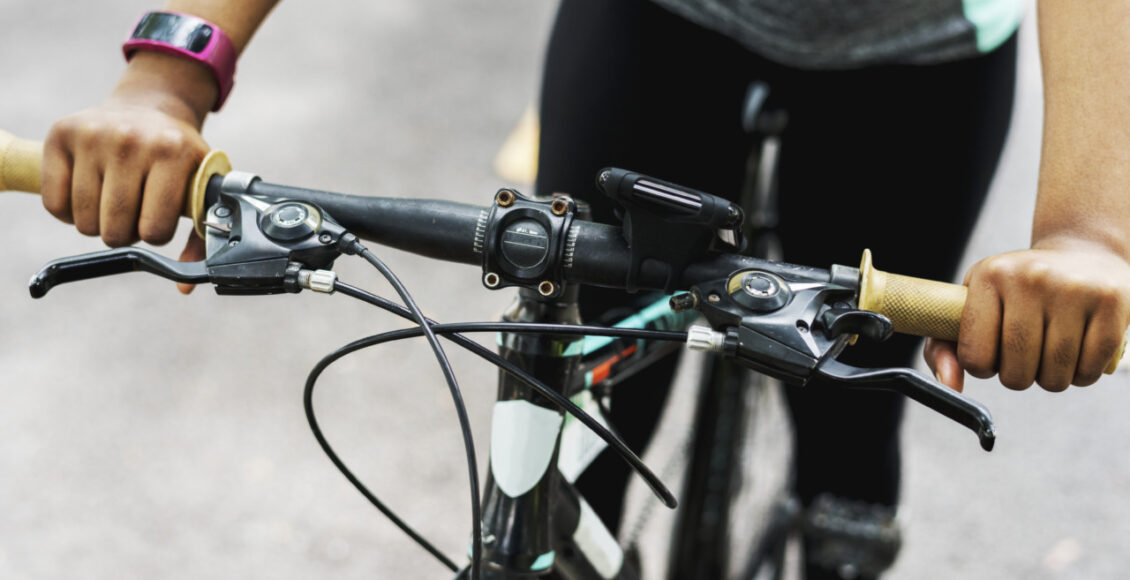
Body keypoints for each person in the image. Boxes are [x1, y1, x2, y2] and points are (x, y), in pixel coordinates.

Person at [38, 1, 1130, 578]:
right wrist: (167, 76)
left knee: (853, 401)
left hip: (918, 54)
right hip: (659, 21)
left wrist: (1083, 235)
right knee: (577, 417)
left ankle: (846, 518)